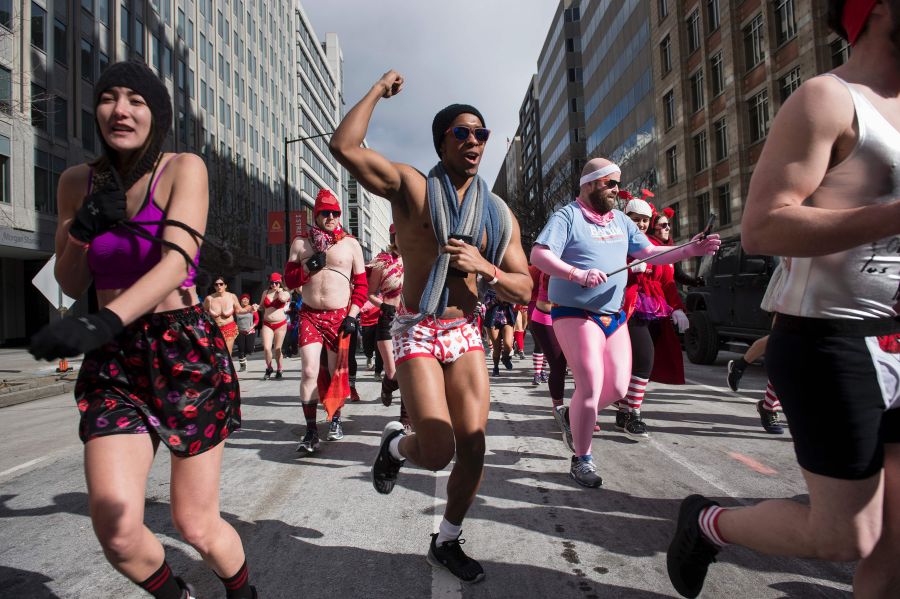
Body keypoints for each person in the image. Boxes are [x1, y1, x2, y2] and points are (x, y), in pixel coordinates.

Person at [666, 3, 900, 597]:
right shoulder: (828, 99)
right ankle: (708, 524)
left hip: (896, 335)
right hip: (830, 341)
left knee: (897, 541)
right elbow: (763, 227)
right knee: (847, 536)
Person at [28, 60, 255, 599]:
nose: (121, 110)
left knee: (195, 524)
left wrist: (102, 320)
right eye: (109, 97)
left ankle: (242, 593)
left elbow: (177, 263)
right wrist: (81, 231)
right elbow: (69, 279)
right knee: (117, 532)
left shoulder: (183, 168)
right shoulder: (76, 182)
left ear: (157, 115)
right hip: (113, 360)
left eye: (136, 100)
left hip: (183, 349)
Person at [329, 70, 532, 583]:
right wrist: (378, 90)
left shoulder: (497, 213)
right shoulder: (412, 187)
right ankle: (396, 446)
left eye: (481, 133)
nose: (473, 141)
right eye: (462, 132)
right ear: (442, 142)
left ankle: (446, 540)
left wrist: (484, 267)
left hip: (464, 331)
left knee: (475, 445)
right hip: (417, 327)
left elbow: (525, 288)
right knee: (437, 453)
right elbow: (344, 147)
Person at [531, 156, 720, 488]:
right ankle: (582, 459)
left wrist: (690, 250)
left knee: (618, 388)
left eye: (618, 185)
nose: (617, 190)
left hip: (614, 315)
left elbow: (650, 252)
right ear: (591, 183)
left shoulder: (620, 220)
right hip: (574, 313)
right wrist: (577, 274)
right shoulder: (567, 216)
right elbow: (539, 255)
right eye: (611, 184)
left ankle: (572, 415)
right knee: (590, 384)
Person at [284, 188, 367, 453]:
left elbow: (362, 286)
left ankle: (335, 419)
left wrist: (352, 316)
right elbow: (289, 281)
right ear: (316, 214)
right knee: (309, 370)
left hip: (339, 316)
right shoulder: (301, 243)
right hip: (309, 314)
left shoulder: (350, 244)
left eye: (335, 213)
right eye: (325, 213)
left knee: (334, 372)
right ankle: (310, 431)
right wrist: (307, 267)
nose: (330, 217)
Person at [617, 201, 692, 439]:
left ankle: (624, 410)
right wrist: (628, 269)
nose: (640, 224)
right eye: (635, 219)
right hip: (627, 308)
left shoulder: (656, 247)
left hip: (656, 310)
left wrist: (677, 308)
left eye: (644, 220)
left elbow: (668, 282)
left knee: (641, 364)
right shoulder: (618, 242)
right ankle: (634, 414)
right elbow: (604, 272)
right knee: (643, 360)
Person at [726, 258, 789, 434]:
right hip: (799, 290)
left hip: (837, 295)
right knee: (784, 347)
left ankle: (740, 366)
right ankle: (769, 406)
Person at [368, 224, 406, 418]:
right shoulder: (382, 261)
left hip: (411, 319)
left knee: (409, 370)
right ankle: (387, 385)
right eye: (400, 233)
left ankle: (406, 418)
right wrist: (383, 305)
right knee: (392, 373)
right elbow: (369, 293)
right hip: (388, 318)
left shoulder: (415, 258)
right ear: (393, 237)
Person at [204, 276, 256, 356]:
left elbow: (239, 310)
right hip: (215, 330)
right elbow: (204, 312)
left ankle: (228, 363)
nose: (219, 286)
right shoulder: (209, 299)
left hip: (229, 328)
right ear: (214, 286)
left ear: (225, 285)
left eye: (221, 284)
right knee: (217, 355)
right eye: (216, 284)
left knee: (227, 354)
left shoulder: (232, 296)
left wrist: (250, 309)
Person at [258, 272, 291, 380]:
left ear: (280, 283)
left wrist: (280, 291)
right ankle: (269, 368)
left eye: (276, 283)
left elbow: (283, 299)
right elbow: (261, 306)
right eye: (272, 283)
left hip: (280, 324)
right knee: (267, 348)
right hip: (267, 323)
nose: (274, 285)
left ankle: (280, 368)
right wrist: (256, 307)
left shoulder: (284, 293)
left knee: (277, 349)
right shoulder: (265, 292)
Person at [483, 287, 516, 377]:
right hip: (492, 322)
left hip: (507, 321)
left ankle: (505, 358)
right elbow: (487, 306)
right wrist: (496, 299)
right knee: (497, 347)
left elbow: (514, 304)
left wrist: (507, 299)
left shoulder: (508, 290)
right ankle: (496, 367)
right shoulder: (489, 292)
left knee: (508, 345)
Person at [234, 293, 259, 372]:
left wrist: (252, 326)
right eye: (243, 299)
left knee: (249, 349)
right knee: (241, 349)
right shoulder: (237, 309)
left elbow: (257, 319)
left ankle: (250, 349)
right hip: (239, 331)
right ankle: (242, 365)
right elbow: (233, 319)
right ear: (240, 300)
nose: (245, 301)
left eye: (247, 299)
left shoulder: (252, 308)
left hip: (250, 331)